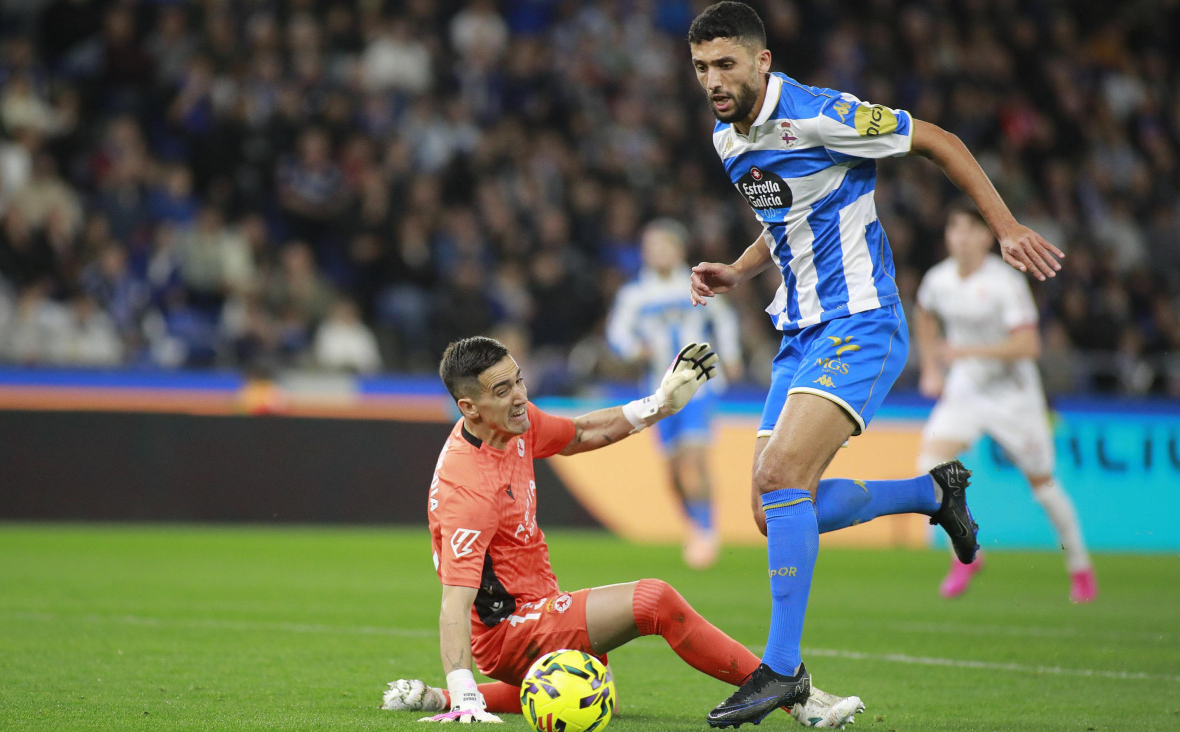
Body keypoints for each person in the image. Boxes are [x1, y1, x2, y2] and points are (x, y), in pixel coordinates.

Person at [683, 3, 1064, 727]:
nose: (713, 80)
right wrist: (739, 269)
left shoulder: (827, 114)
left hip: (860, 322)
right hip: (798, 333)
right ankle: (932, 493)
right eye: (702, 67)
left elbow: (941, 141)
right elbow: (784, 218)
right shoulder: (727, 140)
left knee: (780, 479)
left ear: (762, 61)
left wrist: (1005, 227)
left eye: (726, 64)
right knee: (772, 511)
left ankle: (783, 670)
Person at [381, 335, 864, 728]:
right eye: (502, 390)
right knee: (654, 600)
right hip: (508, 631)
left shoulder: (515, 425)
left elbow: (584, 433)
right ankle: (792, 694)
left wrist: (660, 404)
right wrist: (466, 690)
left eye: (519, 380)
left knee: (592, 697)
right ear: (469, 407)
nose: (520, 396)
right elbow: (455, 603)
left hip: (541, 609)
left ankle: (434, 697)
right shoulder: (466, 488)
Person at [915, 201, 1096, 603]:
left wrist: (969, 351)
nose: (960, 238)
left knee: (1044, 487)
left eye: (969, 230)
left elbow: (1029, 344)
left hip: (1014, 396)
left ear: (985, 236)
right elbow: (924, 314)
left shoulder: (1004, 283)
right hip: (966, 390)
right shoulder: (938, 279)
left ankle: (1080, 566)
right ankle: (967, 553)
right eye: (954, 229)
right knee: (928, 466)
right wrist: (931, 367)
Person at [607, 218, 742, 569]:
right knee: (672, 473)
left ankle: (708, 531)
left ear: (679, 250)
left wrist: (730, 356)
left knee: (694, 459)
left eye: (663, 246)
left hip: (699, 386)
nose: (657, 253)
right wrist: (633, 349)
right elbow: (617, 334)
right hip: (658, 392)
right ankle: (695, 527)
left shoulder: (695, 284)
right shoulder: (635, 294)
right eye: (650, 247)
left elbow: (724, 320)